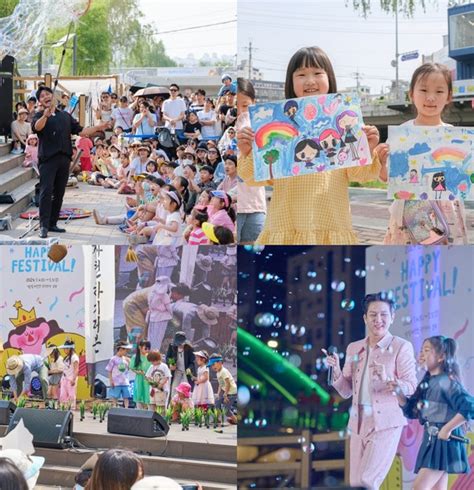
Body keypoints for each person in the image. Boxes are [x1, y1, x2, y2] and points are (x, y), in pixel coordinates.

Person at [237, 46, 382, 245]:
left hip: (331, 227)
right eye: (301, 74)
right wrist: (247, 152)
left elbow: (361, 175)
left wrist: (369, 148)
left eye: (317, 73)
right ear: (291, 82)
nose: (310, 81)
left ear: (329, 78)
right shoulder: (276, 123)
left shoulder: (344, 121)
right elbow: (256, 179)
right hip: (285, 228)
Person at [324, 292, 418, 490]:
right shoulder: (354, 348)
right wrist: (336, 370)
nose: (378, 320)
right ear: (365, 318)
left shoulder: (402, 346)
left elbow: (411, 386)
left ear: (392, 317)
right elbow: (346, 391)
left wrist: (389, 379)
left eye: (384, 314)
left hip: (386, 423)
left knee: (367, 481)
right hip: (358, 423)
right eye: (373, 315)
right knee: (355, 484)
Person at [376, 62, 468, 245]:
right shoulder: (401, 134)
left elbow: (462, 180)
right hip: (408, 213)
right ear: (411, 94)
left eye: (439, 92)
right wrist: (380, 162)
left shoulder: (456, 137)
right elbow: (386, 177)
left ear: (449, 96)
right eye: (424, 90)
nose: (431, 98)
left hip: (447, 211)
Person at [392, 336, 473, 490]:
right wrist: (398, 392)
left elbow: (470, 407)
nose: (421, 354)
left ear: (441, 357)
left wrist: (447, 429)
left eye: (427, 350)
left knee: (419, 487)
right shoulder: (428, 382)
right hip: (432, 440)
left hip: (443, 442)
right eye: (421, 350)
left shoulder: (446, 381)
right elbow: (411, 411)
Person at [32, 86, 110, 238]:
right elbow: (36, 128)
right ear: (40, 101)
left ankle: (53, 223)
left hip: (64, 159)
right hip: (48, 160)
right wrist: (45, 116)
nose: (46, 97)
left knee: (59, 192)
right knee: (46, 192)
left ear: (53, 96)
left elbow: (82, 131)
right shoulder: (39, 115)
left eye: (48, 94)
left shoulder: (65, 116)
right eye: (42, 96)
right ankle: (44, 226)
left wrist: (99, 127)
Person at [236, 78, 267, 244]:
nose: (240, 111)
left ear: (254, 103)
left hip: (255, 204)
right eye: (236, 106)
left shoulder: (262, 126)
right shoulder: (226, 132)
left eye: (246, 105)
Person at [208, 354, 237, 424]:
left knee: (226, 410)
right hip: (225, 391)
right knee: (217, 403)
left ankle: (235, 420)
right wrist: (218, 394)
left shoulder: (224, 371)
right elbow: (221, 384)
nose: (212, 367)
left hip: (231, 393)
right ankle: (216, 419)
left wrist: (225, 395)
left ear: (220, 362)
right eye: (211, 365)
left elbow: (228, 384)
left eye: (213, 364)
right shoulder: (218, 373)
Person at [146, 276, 173, 350]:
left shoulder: (151, 293)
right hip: (162, 317)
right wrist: (171, 314)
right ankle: (155, 353)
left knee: (151, 336)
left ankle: (150, 351)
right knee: (158, 337)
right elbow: (169, 308)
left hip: (153, 316)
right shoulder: (164, 295)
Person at [166, 331, 195, 396]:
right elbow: (168, 357)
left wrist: (189, 369)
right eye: (178, 343)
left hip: (186, 372)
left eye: (181, 343)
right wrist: (171, 364)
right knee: (174, 388)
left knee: (186, 388)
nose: (180, 345)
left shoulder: (189, 348)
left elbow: (192, 362)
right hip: (177, 371)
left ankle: (187, 404)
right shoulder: (172, 346)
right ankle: (173, 404)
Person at [106, 341, 133, 408]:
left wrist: (129, 362)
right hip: (116, 382)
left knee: (126, 396)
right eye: (125, 350)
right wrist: (111, 380)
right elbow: (109, 370)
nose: (126, 352)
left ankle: (126, 409)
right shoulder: (113, 359)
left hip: (125, 382)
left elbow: (129, 368)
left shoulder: (126, 359)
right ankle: (115, 407)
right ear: (120, 349)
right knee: (115, 396)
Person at [58, 339, 79, 409]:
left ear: (69, 348)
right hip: (64, 379)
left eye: (65, 348)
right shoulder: (66, 357)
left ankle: (71, 411)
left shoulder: (74, 357)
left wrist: (73, 379)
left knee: (71, 396)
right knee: (62, 395)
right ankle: (63, 409)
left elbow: (76, 369)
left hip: (71, 380)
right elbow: (64, 370)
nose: (64, 350)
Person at [130, 340, 151, 409]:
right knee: (139, 394)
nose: (147, 350)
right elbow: (132, 367)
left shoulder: (150, 357)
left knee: (148, 394)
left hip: (148, 379)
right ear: (140, 347)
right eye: (145, 348)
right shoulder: (135, 357)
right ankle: (139, 411)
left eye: (148, 348)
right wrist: (138, 372)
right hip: (139, 378)